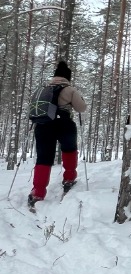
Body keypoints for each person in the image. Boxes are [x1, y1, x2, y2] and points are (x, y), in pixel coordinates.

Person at [28, 61, 87, 210]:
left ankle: (38, 192)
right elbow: (81, 108)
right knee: (69, 150)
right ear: (67, 77)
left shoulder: (44, 89)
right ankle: (69, 178)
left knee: (44, 158)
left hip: (42, 125)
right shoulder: (69, 89)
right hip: (64, 124)